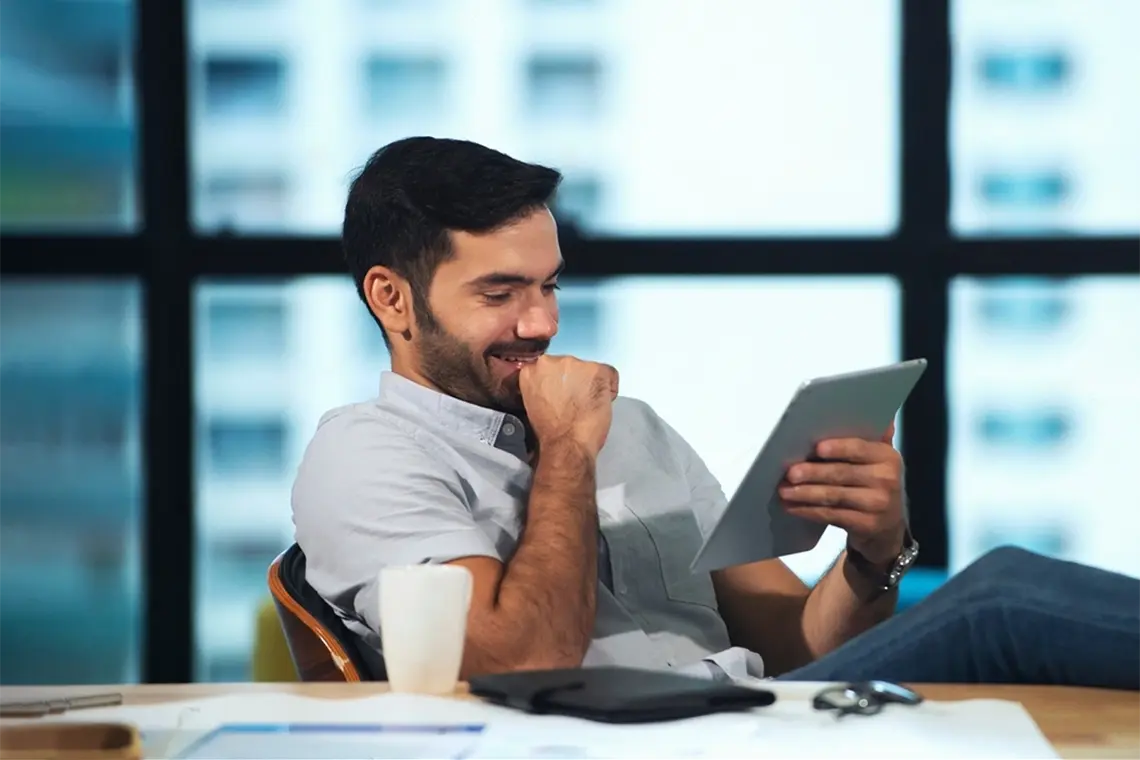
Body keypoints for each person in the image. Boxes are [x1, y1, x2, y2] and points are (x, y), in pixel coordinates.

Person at [292, 136, 1140, 689]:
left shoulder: (631, 426)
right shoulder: (366, 457)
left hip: (762, 720)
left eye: (549, 285)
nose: (542, 323)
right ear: (393, 300)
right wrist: (567, 454)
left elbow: (801, 645)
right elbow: (524, 664)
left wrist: (873, 554)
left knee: (998, 602)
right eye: (500, 292)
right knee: (998, 603)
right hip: (611, 746)